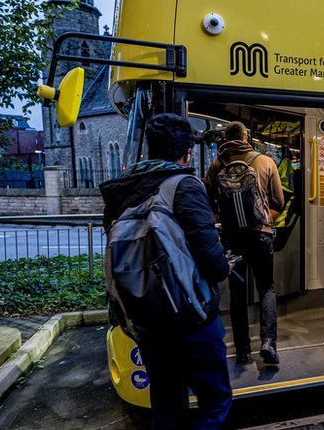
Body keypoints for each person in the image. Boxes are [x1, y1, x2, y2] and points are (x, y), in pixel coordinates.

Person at [100, 113, 232, 429]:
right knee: (215, 402)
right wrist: (224, 264)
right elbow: (212, 261)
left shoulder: (123, 189)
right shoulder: (184, 185)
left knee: (166, 405)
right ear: (186, 152)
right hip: (191, 317)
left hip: (146, 318)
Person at [205, 122, 285, 366]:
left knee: (238, 295)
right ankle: (268, 343)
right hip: (260, 236)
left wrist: (225, 222)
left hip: (232, 239)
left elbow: (209, 203)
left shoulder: (216, 165)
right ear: (246, 137)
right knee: (267, 288)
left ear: (226, 139)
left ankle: (242, 352)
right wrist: (263, 220)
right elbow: (279, 202)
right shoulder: (265, 161)